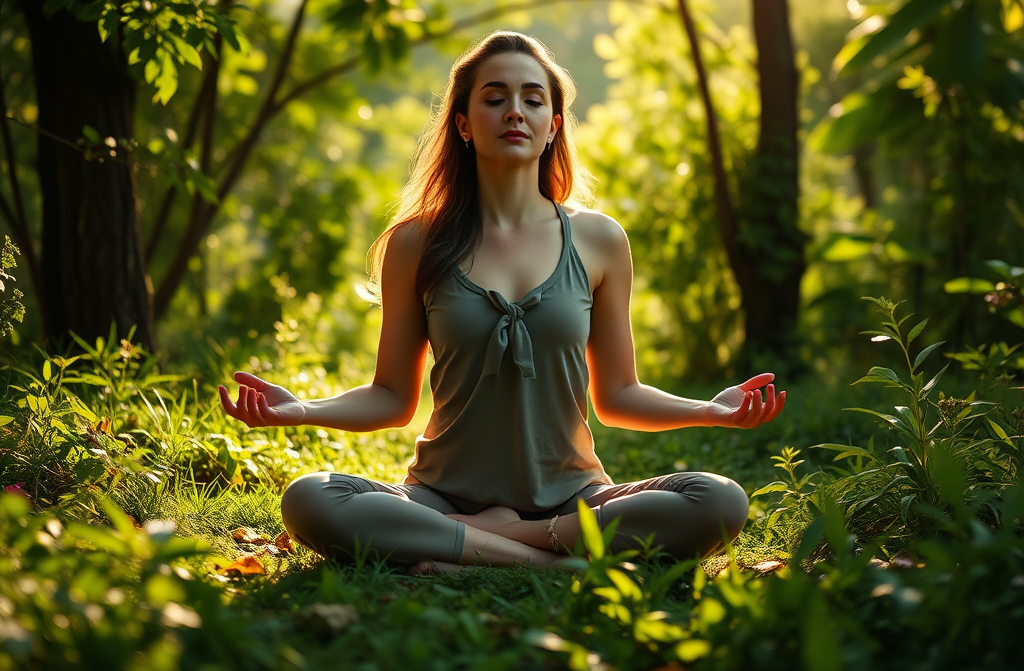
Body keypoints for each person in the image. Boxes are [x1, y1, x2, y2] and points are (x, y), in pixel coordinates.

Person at [219, 31, 785, 575]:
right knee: (310, 500)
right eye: (495, 98)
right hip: (440, 497)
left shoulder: (599, 240)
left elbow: (618, 396)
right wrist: (300, 410)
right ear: (464, 125)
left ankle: (489, 544)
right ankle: (553, 565)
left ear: (552, 126)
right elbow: (391, 398)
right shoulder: (416, 243)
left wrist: (710, 410)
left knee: (718, 501)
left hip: (573, 502)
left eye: (532, 99)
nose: (515, 111)